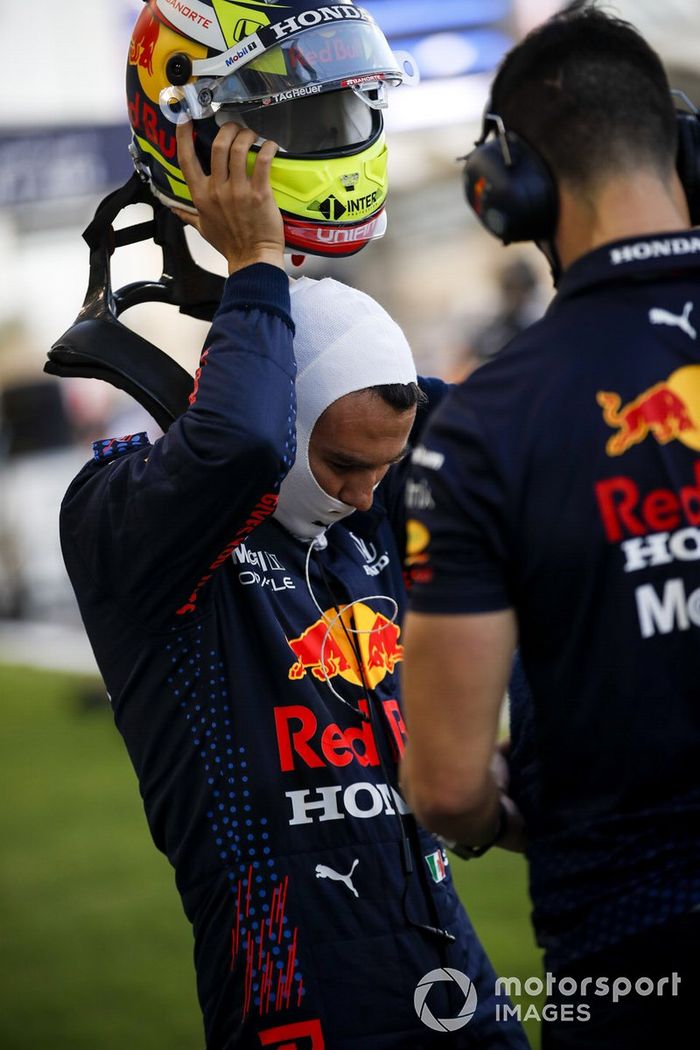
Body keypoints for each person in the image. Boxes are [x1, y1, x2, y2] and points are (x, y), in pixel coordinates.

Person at [59, 116, 529, 1049]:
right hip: (293, 999)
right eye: (344, 465)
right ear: (283, 419)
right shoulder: (127, 520)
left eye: (382, 472)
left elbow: (501, 437)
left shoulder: (371, 508)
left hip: (454, 971)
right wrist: (257, 263)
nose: (364, 496)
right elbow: (232, 441)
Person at [400, 3, 700, 1048]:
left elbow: (442, 781)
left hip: (631, 952)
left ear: (505, 189)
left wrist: (507, 822)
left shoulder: (486, 422)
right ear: (685, 150)